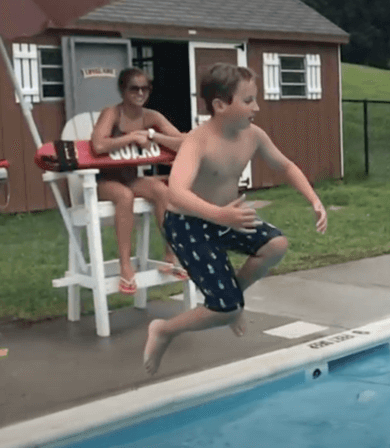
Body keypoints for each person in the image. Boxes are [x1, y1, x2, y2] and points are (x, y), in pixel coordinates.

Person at [143, 63, 327, 376]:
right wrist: (219, 214)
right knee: (224, 310)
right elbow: (175, 192)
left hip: (227, 218)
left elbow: (285, 167)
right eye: (248, 100)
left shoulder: (253, 135)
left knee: (276, 245)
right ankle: (164, 329)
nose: (256, 107)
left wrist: (314, 199)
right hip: (188, 225)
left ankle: (232, 300)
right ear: (220, 105)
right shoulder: (198, 141)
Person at [91, 68, 186, 295]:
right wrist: (132, 137)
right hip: (105, 181)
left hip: (131, 178)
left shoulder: (151, 116)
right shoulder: (112, 114)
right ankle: (126, 265)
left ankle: (170, 255)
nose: (140, 93)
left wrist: (154, 136)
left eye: (145, 88)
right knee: (125, 197)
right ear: (123, 90)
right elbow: (98, 145)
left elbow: (183, 142)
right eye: (134, 88)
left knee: (162, 191)